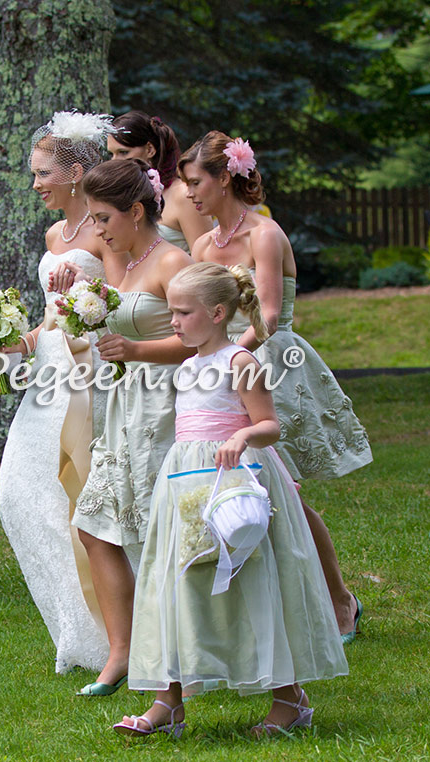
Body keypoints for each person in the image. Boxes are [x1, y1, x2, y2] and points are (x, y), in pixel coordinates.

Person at [113, 262, 348, 738]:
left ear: (218, 312)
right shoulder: (187, 367)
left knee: (254, 579)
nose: (174, 322)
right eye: (172, 313)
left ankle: (289, 698)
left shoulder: (240, 363)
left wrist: (243, 435)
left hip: (235, 479)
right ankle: (168, 700)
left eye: (183, 312)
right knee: (177, 581)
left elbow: (270, 425)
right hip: (186, 479)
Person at [179, 131, 372, 640]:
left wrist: (226, 355)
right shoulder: (203, 244)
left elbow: (265, 313)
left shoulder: (264, 234)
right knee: (244, 490)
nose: (191, 194)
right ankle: (259, 612)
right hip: (224, 371)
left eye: (197, 182)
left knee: (287, 495)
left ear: (225, 178)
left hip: (270, 363)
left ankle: (339, 601)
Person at [0, 112, 126, 673]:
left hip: (93, 375)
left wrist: (82, 299)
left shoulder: (106, 230)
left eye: (43, 173)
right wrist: (13, 341)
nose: (36, 184)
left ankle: (122, 629)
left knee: (90, 500)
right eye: (33, 174)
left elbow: (126, 302)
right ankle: (79, 627)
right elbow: (52, 319)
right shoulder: (54, 236)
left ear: (75, 172)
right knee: (18, 493)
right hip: (50, 376)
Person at [71, 159, 194, 694]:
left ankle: (176, 658)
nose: (97, 230)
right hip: (121, 407)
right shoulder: (118, 260)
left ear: (136, 210)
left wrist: (139, 349)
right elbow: (102, 316)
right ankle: (122, 651)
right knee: (94, 526)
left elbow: (204, 339)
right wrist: (78, 298)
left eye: (102, 218)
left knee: (155, 534)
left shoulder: (174, 262)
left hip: (165, 410)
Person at [108, 111, 211, 253]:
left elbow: (205, 262)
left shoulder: (183, 196)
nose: (115, 161)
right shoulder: (126, 198)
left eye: (123, 152)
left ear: (150, 149)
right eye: (111, 154)